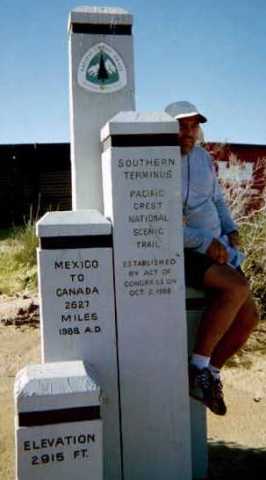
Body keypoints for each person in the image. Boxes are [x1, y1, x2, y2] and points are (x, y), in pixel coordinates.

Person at [165, 101, 259, 415]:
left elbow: (217, 200)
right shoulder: (157, 162)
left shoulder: (204, 158)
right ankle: (198, 368)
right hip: (186, 252)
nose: (189, 132)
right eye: (182, 125)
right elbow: (162, 224)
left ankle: (211, 373)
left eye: (193, 125)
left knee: (249, 318)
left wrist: (230, 229)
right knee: (235, 287)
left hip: (218, 248)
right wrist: (206, 242)